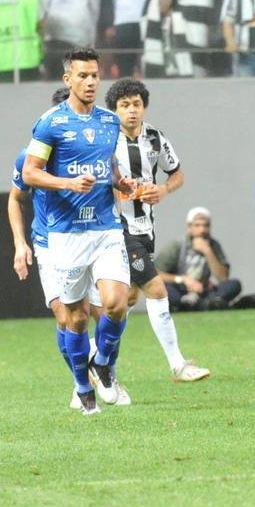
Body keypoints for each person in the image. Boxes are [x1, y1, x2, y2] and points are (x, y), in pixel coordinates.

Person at [21, 47, 138, 415]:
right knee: (76, 317)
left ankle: (102, 361)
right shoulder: (50, 123)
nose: (90, 82)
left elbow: (112, 170)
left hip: (104, 227)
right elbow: (30, 173)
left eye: (94, 76)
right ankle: (83, 386)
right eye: (82, 76)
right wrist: (67, 183)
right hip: (66, 233)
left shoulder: (109, 121)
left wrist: (126, 185)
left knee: (118, 303)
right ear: (67, 79)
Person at [104, 77, 211, 381]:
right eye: (124, 106)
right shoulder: (106, 139)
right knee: (157, 289)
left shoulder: (156, 138)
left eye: (136, 104)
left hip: (144, 228)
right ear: (115, 110)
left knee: (126, 302)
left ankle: (98, 362)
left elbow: (177, 173)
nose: (132, 111)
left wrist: (163, 190)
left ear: (144, 107)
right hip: (116, 228)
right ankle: (178, 364)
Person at [157, 206, 243, 310]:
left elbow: (223, 278)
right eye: (197, 225)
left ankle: (200, 304)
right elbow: (155, 274)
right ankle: (191, 304)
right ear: (189, 227)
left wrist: (207, 251)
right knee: (162, 288)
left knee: (234, 285)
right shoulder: (177, 245)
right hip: (179, 289)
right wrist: (182, 279)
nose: (202, 230)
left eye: (205, 226)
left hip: (203, 290)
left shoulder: (214, 245)